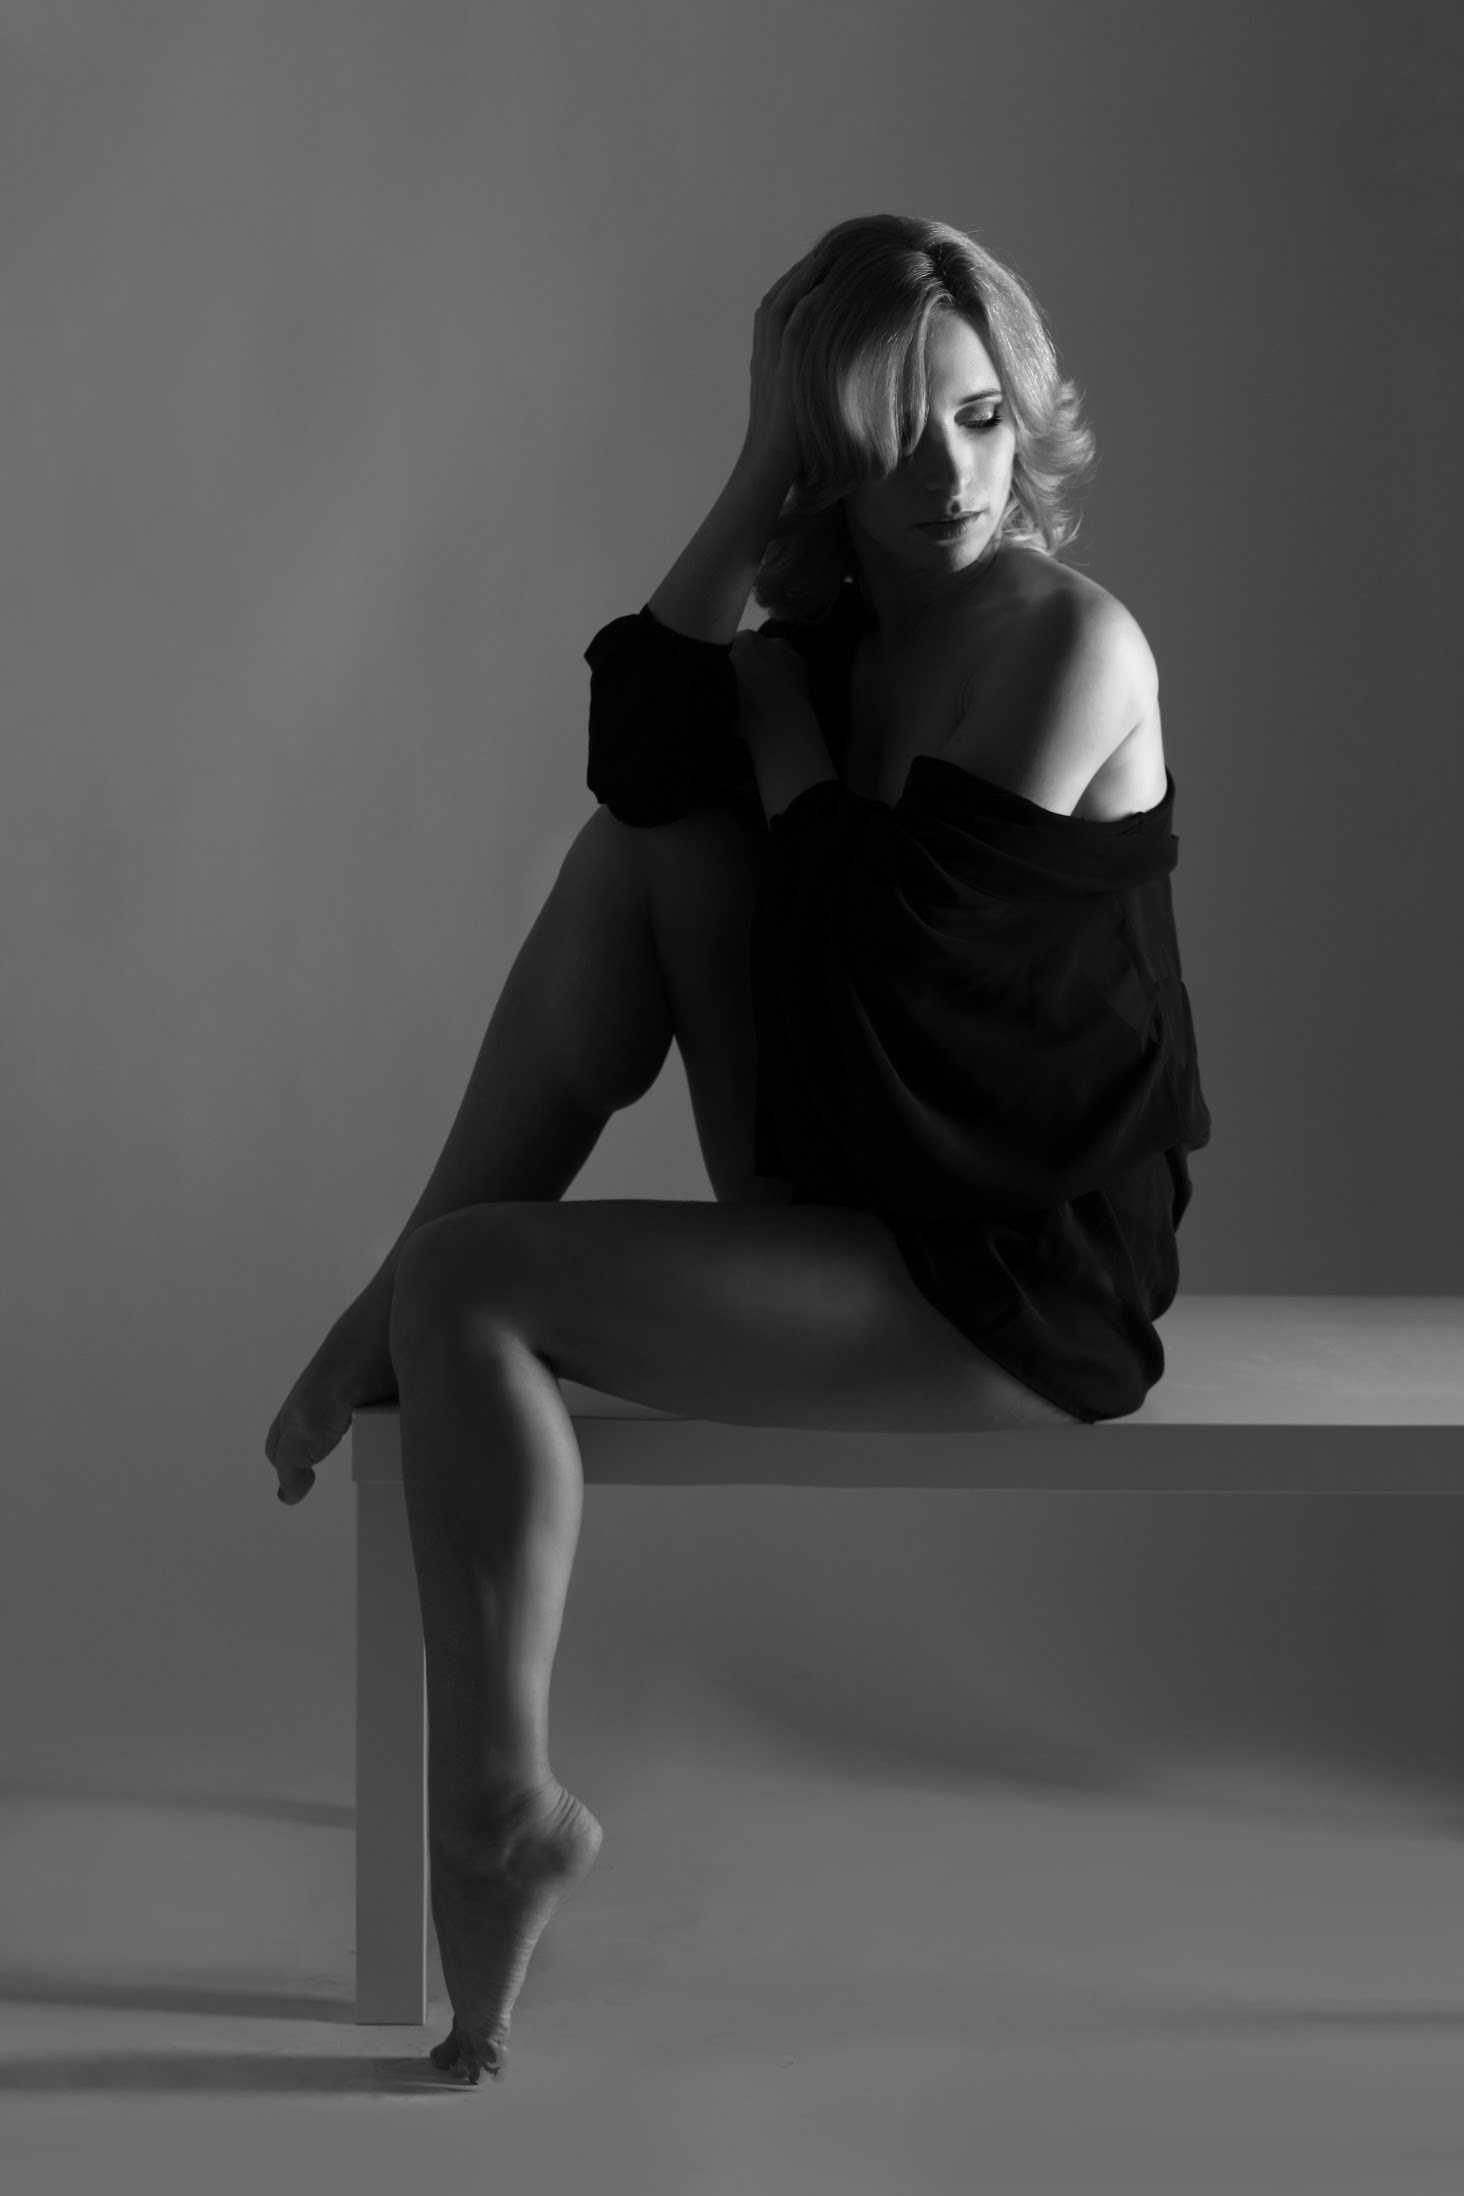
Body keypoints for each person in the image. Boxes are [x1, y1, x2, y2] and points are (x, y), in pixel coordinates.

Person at [264, 212, 1211, 2083]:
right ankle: (405, 1301)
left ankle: (497, 1811)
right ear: (823, 458)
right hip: (865, 1165)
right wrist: (761, 482)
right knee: (643, 850)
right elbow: (639, 753)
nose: (951, 479)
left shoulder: (1072, 645)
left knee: (475, 1287)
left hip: (1009, 1276)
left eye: (979, 420)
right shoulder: (848, 629)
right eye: (890, 438)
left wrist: (778, 724)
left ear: (1023, 413)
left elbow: (888, 958)